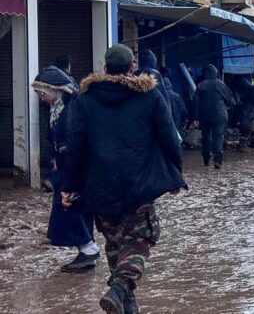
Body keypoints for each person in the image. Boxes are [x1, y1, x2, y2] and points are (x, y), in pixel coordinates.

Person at [63, 44, 187, 314]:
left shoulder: (85, 99)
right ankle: (119, 289)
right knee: (141, 240)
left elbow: (75, 147)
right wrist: (176, 175)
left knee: (116, 247)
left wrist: (69, 186)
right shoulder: (150, 95)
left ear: (105, 68)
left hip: (101, 188)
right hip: (139, 185)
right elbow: (169, 138)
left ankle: (124, 304)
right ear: (132, 67)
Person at [32, 66, 100, 273]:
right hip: (70, 168)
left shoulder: (71, 111)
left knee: (67, 207)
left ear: (54, 91)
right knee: (75, 208)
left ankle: (89, 248)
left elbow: (74, 144)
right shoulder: (61, 109)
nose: (42, 98)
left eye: (43, 94)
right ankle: (87, 251)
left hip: (74, 170)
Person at [193, 64, 235, 168]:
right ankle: (217, 161)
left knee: (206, 137)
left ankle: (206, 160)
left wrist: (194, 118)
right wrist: (227, 108)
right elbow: (230, 99)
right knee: (218, 137)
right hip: (220, 115)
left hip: (205, 116)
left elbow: (195, 103)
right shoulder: (220, 84)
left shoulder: (200, 86)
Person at [235, 77, 254, 150]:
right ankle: (246, 144)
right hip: (250, 112)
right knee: (250, 129)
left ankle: (245, 144)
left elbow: (239, 103)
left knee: (247, 129)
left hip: (249, 113)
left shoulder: (250, 92)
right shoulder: (252, 90)